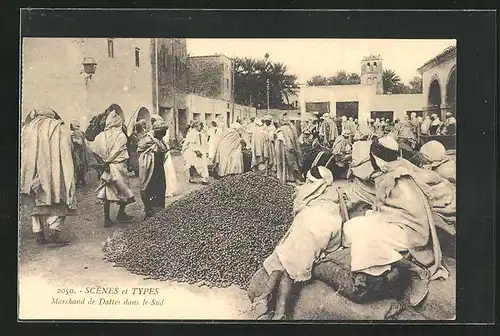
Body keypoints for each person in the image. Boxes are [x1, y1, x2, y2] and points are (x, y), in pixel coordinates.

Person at [342, 136, 448, 305]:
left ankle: (413, 271)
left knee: (364, 237)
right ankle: (379, 266)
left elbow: (409, 214)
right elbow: (393, 208)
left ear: (375, 158)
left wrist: (377, 217)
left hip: (411, 233)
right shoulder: (399, 167)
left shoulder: (393, 177)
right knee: (352, 226)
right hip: (403, 223)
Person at [253, 166, 343, 320]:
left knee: (289, 260)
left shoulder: (318, 196)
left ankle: (274, 305)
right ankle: (271, 303)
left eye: (310, 181)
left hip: (317, 236)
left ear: (319, 184)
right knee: (287, 255)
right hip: (309, 237)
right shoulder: (326, 195)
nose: (305, 185)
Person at [21, 108, 75, 245]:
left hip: (33, 171)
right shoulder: (60, 127)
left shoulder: (28, 128)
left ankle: (39, 233)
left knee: (35, 201)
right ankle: (54, 231)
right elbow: (68, 148)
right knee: (59, 199)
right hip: (55, 170)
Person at [91, 111, 135, 227]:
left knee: (107, 193)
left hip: (106, 168)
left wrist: (102, 162)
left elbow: (94, 150)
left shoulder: (100, 136)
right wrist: (108, 161)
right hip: (118, 166)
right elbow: (117, 151)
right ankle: (121, 213)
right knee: (124, 190)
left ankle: (107, 218)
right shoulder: (121, 136)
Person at [137, 120, 169, 220]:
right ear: (156, 132)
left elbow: (164, 149)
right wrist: (153, 154)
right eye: (161, 133)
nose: (163, 135)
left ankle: (159, 210)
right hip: (150, 169)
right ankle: (149, 210)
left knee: (161, 188)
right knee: (149, 188)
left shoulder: (159, 140)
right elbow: (140, 152)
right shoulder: (147, 140)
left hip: (159, 168)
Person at [275, 116, 303, 184]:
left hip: (283, 149)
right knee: (292, 163)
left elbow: (282, 140)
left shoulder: (280, 130)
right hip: (290, 148)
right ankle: (293, 178)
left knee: (285, 164)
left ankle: (284, 179)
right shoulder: (291, 129)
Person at [70, 120, 90, 186]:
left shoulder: (76, 132)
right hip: (81, 151)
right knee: (81, 166)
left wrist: (72, 140)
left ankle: (79, 181)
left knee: (78, 166)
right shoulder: (80, 132)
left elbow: (79, 142)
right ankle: (82, 180)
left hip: (77, 151)